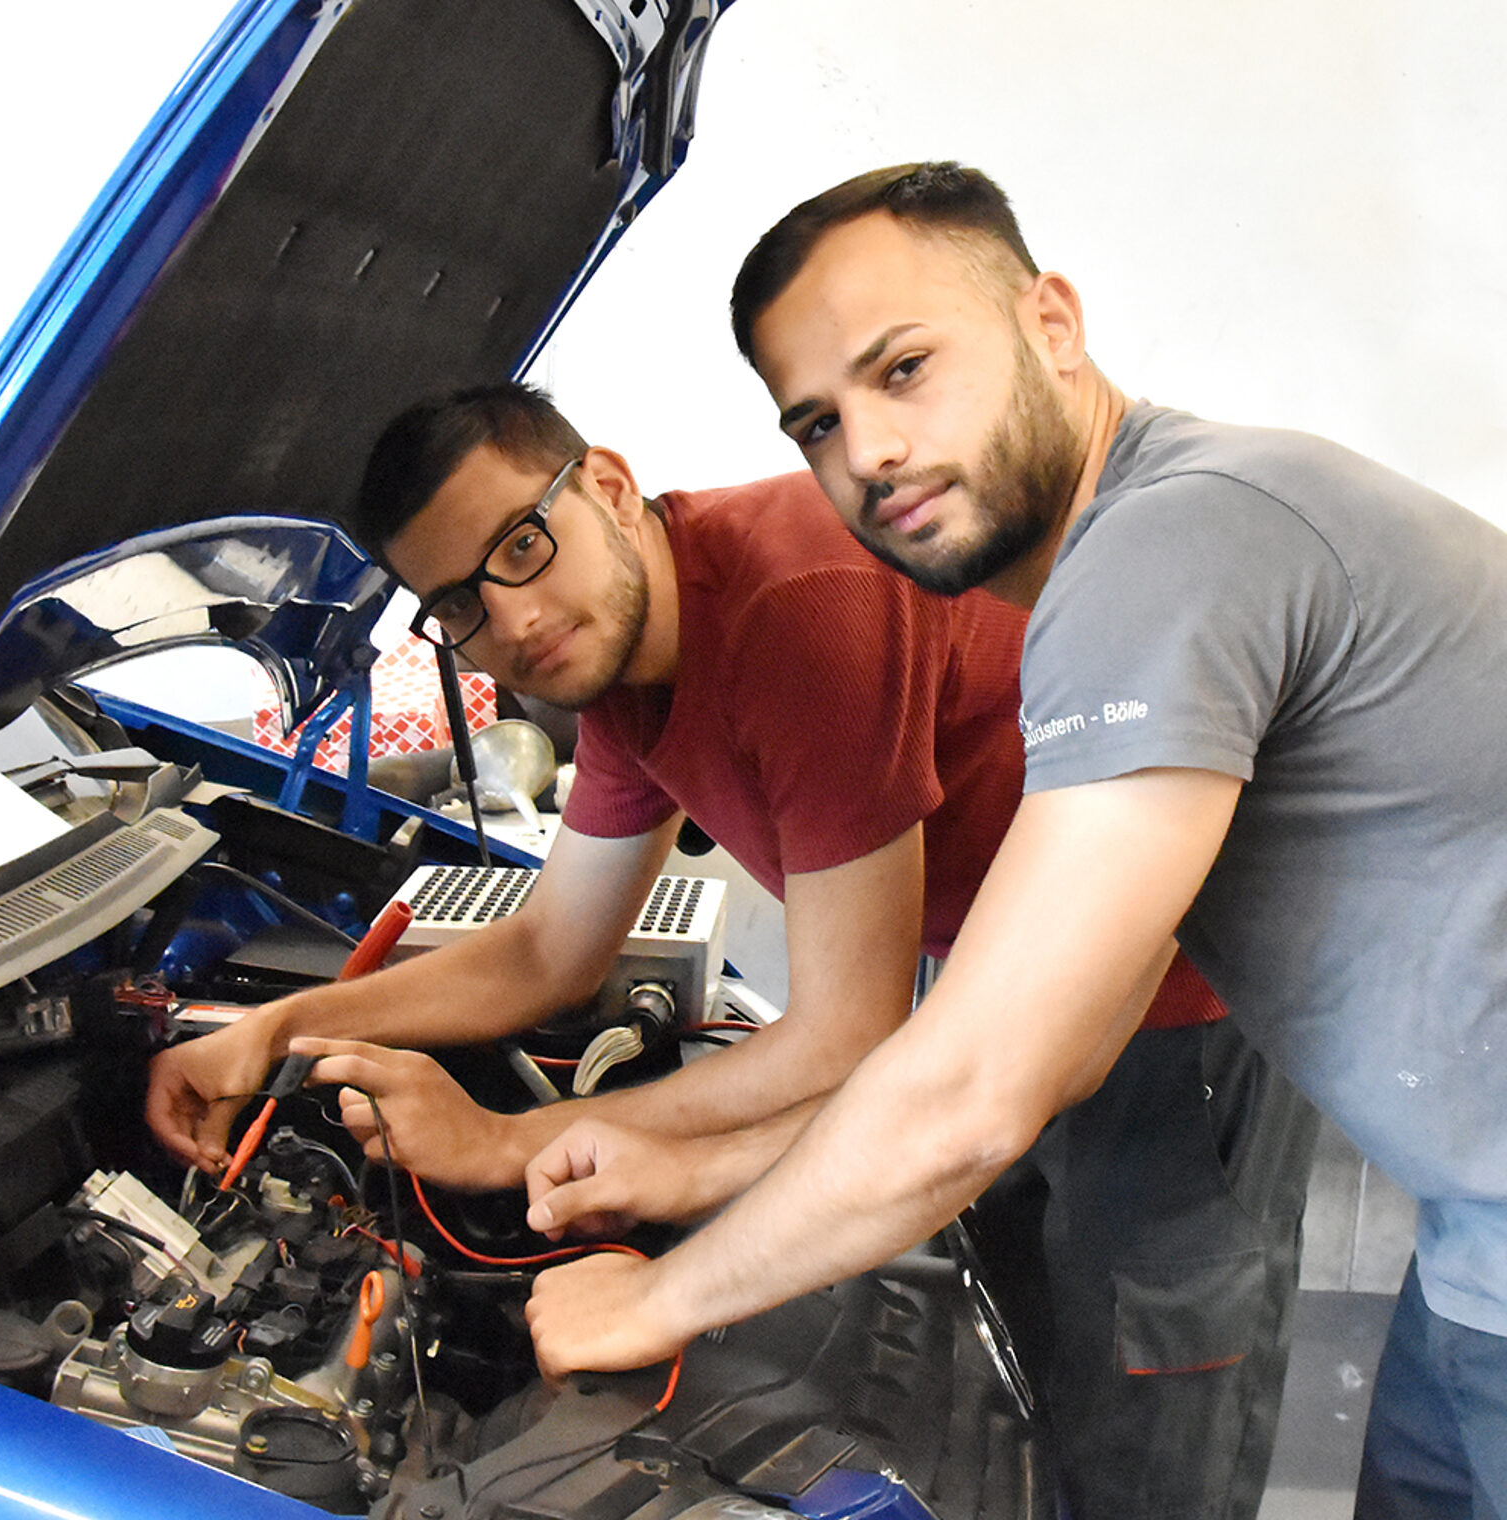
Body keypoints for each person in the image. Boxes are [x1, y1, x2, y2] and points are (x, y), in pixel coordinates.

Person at [521, 163, 1507, 1519]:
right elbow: (1063, 1041)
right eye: (818, 421)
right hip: (1476, 1236)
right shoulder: (1148, 547)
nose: (865, 452)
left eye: (906, 368)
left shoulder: (1173, 547)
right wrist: (687, 1169)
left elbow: (977, 1086)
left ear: (1051, 323)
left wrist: (662, 1295)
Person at [143, 382, 1312, 1520]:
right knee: (1026, 1335)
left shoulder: (793, 607)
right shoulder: (624, 680)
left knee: (1150, 1400)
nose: (514, 621)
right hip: (1003, 969)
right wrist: (276, 1028)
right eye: (457, 605)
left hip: (1176, 996)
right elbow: (549, 950)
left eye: (521, 545)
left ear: (603, 483)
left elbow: (843, 1035)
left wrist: (506, 1145)